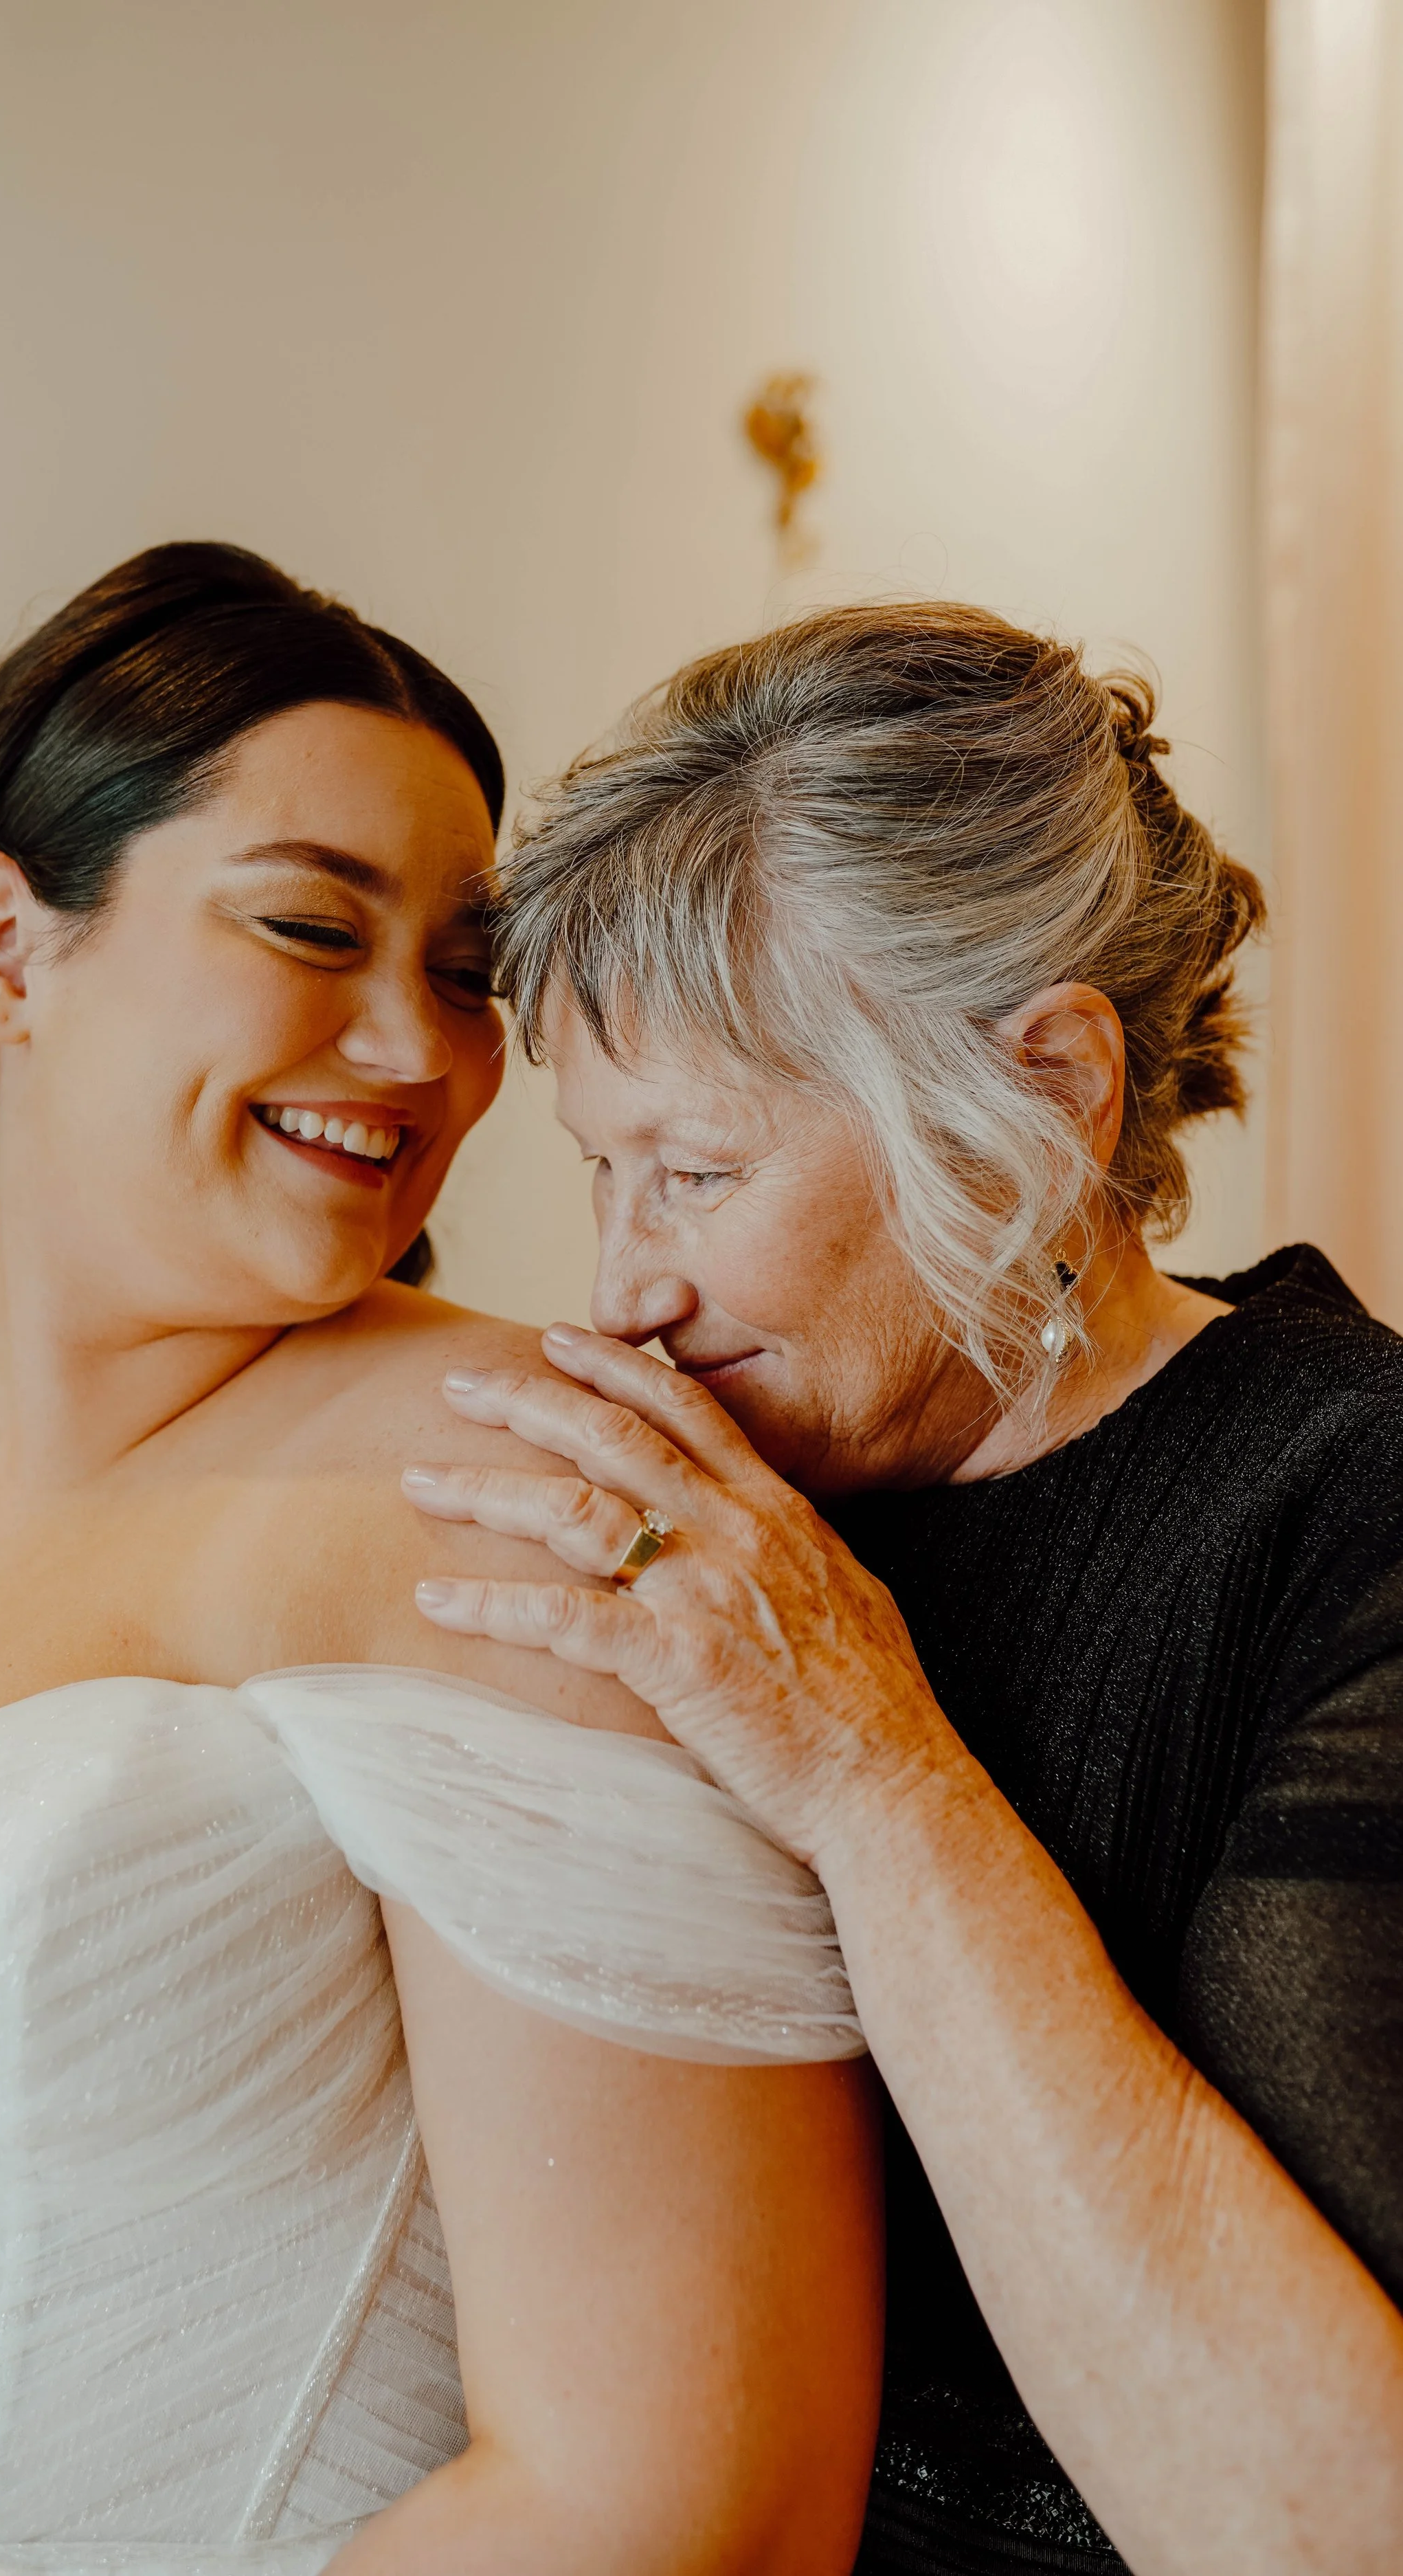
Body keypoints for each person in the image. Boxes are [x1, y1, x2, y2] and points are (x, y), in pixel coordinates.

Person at [0, 546, 883, 2573]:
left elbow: (686, 2487)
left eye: (463, 972)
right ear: (4, 946)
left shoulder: (526, 1484)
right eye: (312, 928)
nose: (417, 1055)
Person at [405, 603, 1403, 2576]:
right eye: (598, 1173)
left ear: (1043, 1099)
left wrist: (871, 1770)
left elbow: (1318, 2523)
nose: (620, 1288)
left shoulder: (1344, 1509)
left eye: (689, 1173)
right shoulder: (717, 1507)